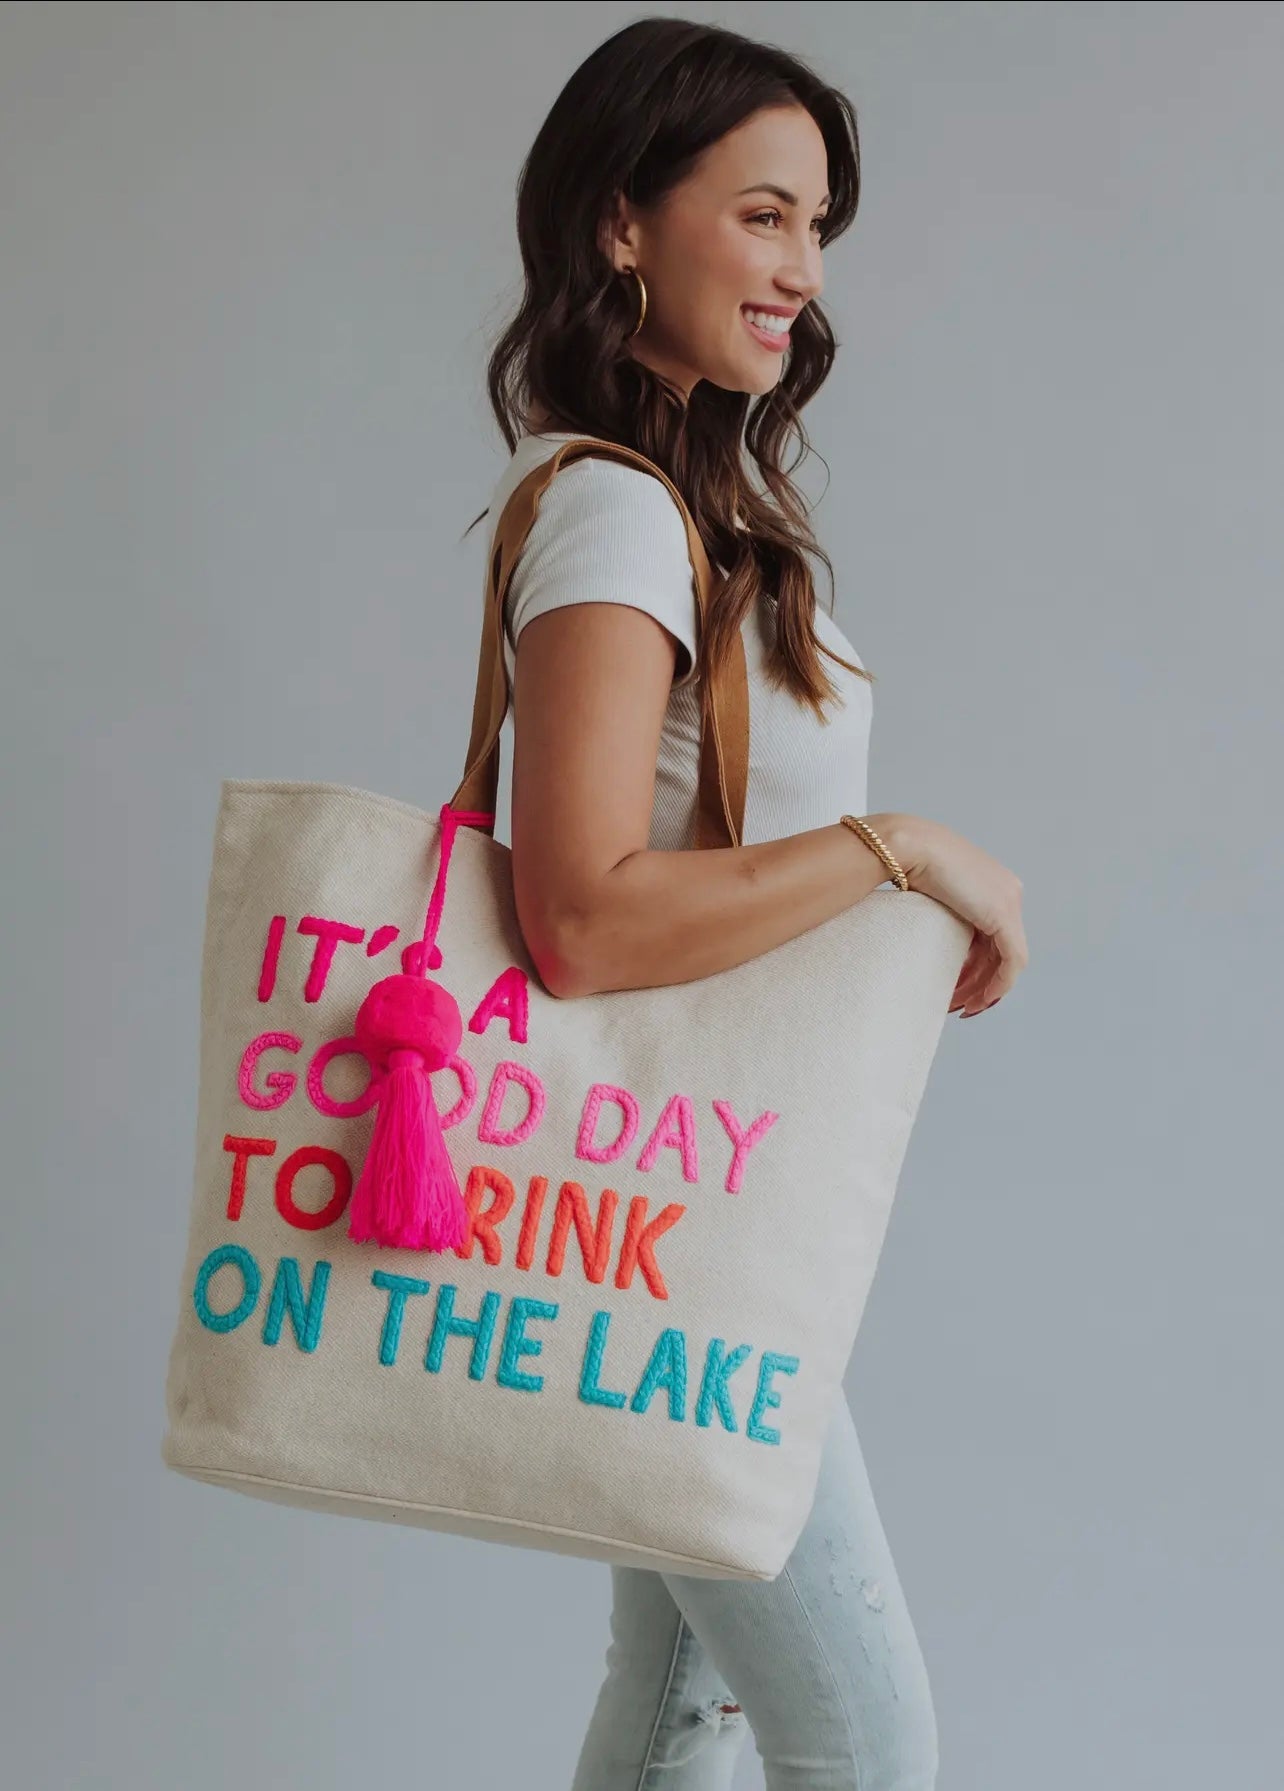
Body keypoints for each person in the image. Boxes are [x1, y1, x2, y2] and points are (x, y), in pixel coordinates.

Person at [465, 18, 1028, 1788]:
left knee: (679, 1697)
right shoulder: (621, 519)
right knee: (862, 1737)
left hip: (689, 1193)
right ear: (624, 222)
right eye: (767, 215)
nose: (801, 270)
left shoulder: (686, 508)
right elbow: (584, 918)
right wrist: (900, 852)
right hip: (668, 1223)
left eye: (817, 230)